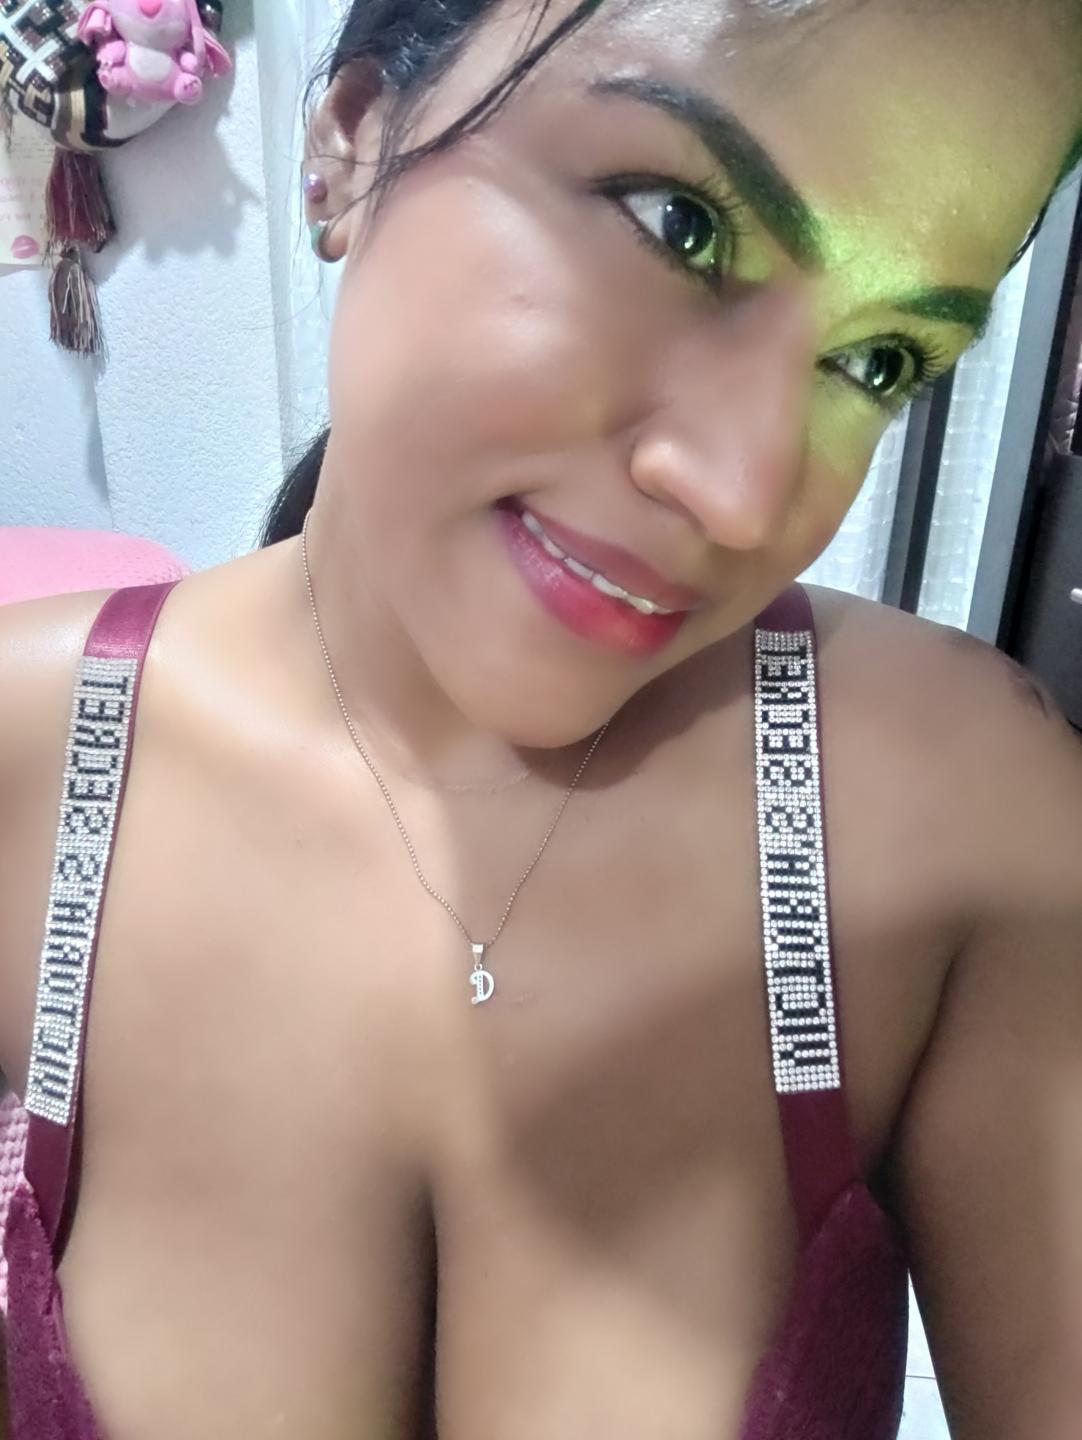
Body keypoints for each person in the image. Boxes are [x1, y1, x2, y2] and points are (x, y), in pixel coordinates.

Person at [1, 0, 1081, 1436]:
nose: (746, 493)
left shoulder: (956, 814)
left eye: (877, 357)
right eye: (679, 224)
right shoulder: (28, 754)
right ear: (350, 140)